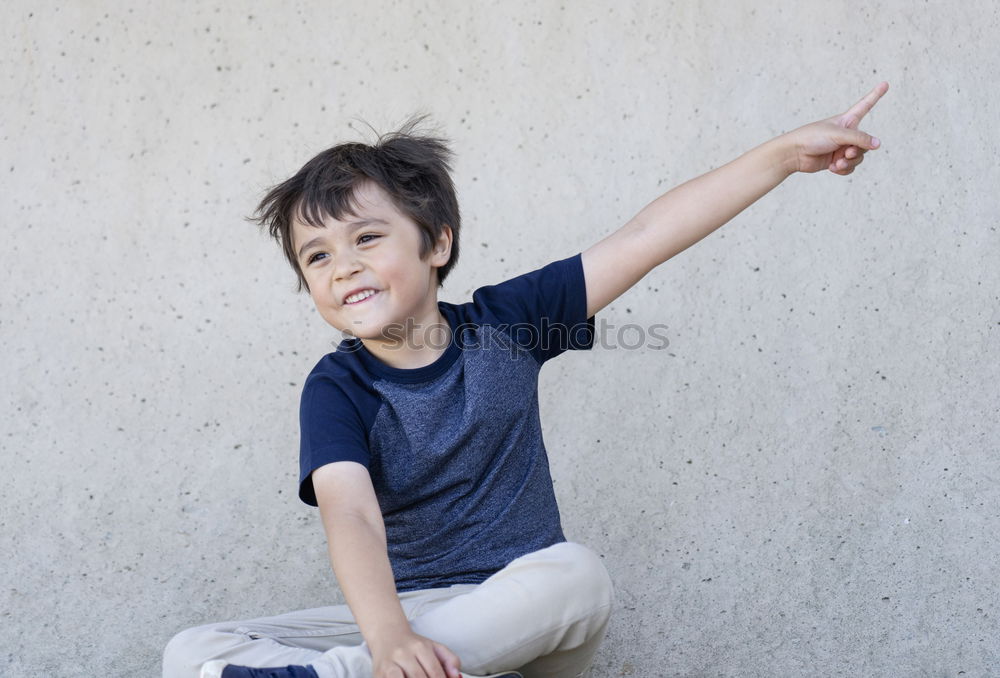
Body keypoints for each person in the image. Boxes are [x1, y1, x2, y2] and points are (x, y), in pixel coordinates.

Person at [162, 82, 889, 678]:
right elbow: (348, 514)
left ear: (437, 241)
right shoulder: (337, 387)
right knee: (192, 651)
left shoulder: (507, 323)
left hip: (519, 622)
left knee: (578, 574)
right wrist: (388, 640)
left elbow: (643, 238)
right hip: (404, 619)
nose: (342, 265)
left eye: (367, 237)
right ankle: (373, 670)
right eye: (316, 257)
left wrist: (785, 153)